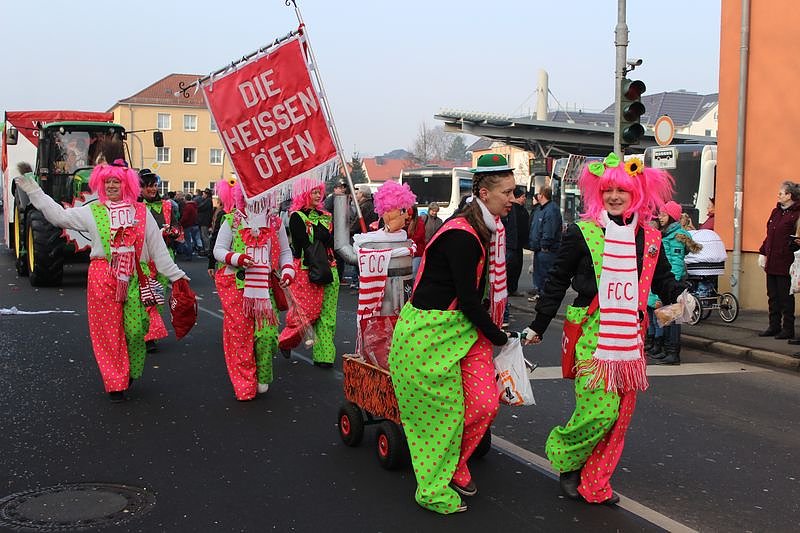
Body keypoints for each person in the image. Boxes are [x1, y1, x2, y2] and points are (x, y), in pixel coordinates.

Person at [522, 153, 689, 505]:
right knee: (599, 410)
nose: (614, 196)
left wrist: (683, 296)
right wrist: (538, 324)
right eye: (608, 189)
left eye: (622, 190)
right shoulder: (582, 233)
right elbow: (556, 281)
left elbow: (662, 279)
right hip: (591, 333)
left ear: (636, 193)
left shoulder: (650, 238)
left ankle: (595, 481)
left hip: (630, 335)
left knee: (619, 419)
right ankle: (568, 458)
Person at [388, 153, 514, 515]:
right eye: (506, 192)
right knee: (442, 415)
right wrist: (499, 336)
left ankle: (454, 462)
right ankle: (432, 488)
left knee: (485, 403)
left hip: (464, 327)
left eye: (514, 190)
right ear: (484, 193)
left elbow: (475, 301)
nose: (512, 198)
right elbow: (471, 301)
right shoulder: (463, 234)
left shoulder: (491, 227)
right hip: (432, 330)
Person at [15, 158, 189, 403]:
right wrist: (34, 190)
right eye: (106, 182)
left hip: (134, 277)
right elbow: (58, 217)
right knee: (108, 332)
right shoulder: (92, 211)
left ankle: (128, 369)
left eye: (116, 181)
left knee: (137, 329)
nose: (111, 186)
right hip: (102, 275)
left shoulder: (141, 212)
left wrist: (177, 277)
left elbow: (158, 249)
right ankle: (115, 381)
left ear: (126, 184)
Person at [212, 177, 295, 400]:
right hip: (236, 287)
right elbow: (218, 250)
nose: (257, 199)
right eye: (252, 194)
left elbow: (286, 252)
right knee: (241, 337)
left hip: (265, 289)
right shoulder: (232, 221)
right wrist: (237, 258)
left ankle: (262, 375)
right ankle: (244, 384)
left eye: (261, 194)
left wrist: (288, 270)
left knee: (267, 336)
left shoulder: (275, 223)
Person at [278, 179, 340, 368]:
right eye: (313, 192)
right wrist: (318, 234)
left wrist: (325, 236)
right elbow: (301, 244)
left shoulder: (326, 216)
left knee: (328, 316)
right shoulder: (296, 216)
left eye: (318, 192)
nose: (317, 195)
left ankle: (325, 356)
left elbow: (333, 243)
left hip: (330, 268)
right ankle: (285, 340)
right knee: (307, 313)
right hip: (307, 270)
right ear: (303, 194)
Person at [647, 201, 702, 365]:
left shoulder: (677, 236)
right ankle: (665, 348)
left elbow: (676, 264)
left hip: (673, 284)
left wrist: (673, 286)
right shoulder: (667, 234)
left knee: (673, 320)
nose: (660, 217)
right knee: (666, 318)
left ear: (671, 217)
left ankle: (673, 352)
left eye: (663, 215)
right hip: (669, 283)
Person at [138, 169, 181, 353]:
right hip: (143, 258)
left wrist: (172, 232)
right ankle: (144, 333)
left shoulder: (168, 206)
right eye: (149, 186)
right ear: (140, 188)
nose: (153, 189)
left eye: (155, 185)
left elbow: (178, 227)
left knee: (157, 296)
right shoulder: (136, 206)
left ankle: (150, 335)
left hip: (164, 256)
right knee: (144, 296)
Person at [757, 181, 800, 340]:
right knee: (772, 295)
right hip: (772, 260)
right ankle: (774, 326)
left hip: (786, 261)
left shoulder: (796, 214)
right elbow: (769, 236)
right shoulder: (776, 212)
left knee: (785, 297)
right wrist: (763, 252)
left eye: (781, 193)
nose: (778, 195)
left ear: (789, 195)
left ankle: (788, 329)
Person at [528, 185, 562, 302]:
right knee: (539, 274)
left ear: (541, 195)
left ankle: (545, 296)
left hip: (546, 250)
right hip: (539, 248)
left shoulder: (551, 210)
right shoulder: (541, 209)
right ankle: (540, 293)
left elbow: (549, 230)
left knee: (545, 274)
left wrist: (545, 245)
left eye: (538, 193)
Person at [505, 186, 529, 296]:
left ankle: (513, 288)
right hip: (511, 244)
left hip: (519, 244)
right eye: (523, 197)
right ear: (517, 197)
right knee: (510, 268)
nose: (524, 199)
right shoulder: (510, 209)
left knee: (517, 267)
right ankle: (507, 289)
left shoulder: (523, 210)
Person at [406, 205, 426, 277]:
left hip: (417, 252)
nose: (409, 217)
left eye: (410, 215)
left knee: (414, 273)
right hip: (408, 252)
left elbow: (418, 236)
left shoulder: (419, 223)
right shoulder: (405, 222)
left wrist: (407, 243)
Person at [196, 188, 214, 255]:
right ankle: (206, 249)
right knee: (204, 235)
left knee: (205, 236)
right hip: (204, 220)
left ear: (206, 194)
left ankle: (207, 249)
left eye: (203, 194)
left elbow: (200, 207)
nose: (202, 195)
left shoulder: (208, 201)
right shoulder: (208, 200)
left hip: (204, 221)